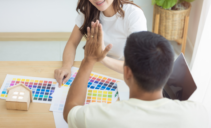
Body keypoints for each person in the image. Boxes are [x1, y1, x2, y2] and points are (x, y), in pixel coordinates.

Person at [63, 24, 209, 128]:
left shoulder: (100, 117)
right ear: (168, 72)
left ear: (127, 72)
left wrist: (88, 60)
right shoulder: (199, 113)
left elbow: (70, 111)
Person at [54, 0, 147, 87]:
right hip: (96, 72)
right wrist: (66, 66)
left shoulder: (133, 14)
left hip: (122, 73)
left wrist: (100, 57)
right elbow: (72, 42)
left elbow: (137, 65)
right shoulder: (88, 11)